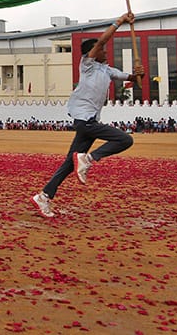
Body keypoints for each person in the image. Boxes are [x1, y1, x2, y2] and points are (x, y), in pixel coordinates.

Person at [32, 12, 143, 218]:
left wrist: (139, 73)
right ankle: (90, 158)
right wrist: (119, 22)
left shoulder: (106, 70)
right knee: (124, 139)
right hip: (84, 120)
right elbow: (101, 40)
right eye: (102, 49)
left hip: (90, 121)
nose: (105, 51)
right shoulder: (88, 65)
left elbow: (131, 78)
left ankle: (44, 196)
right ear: (93, 52)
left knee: (68, 164)